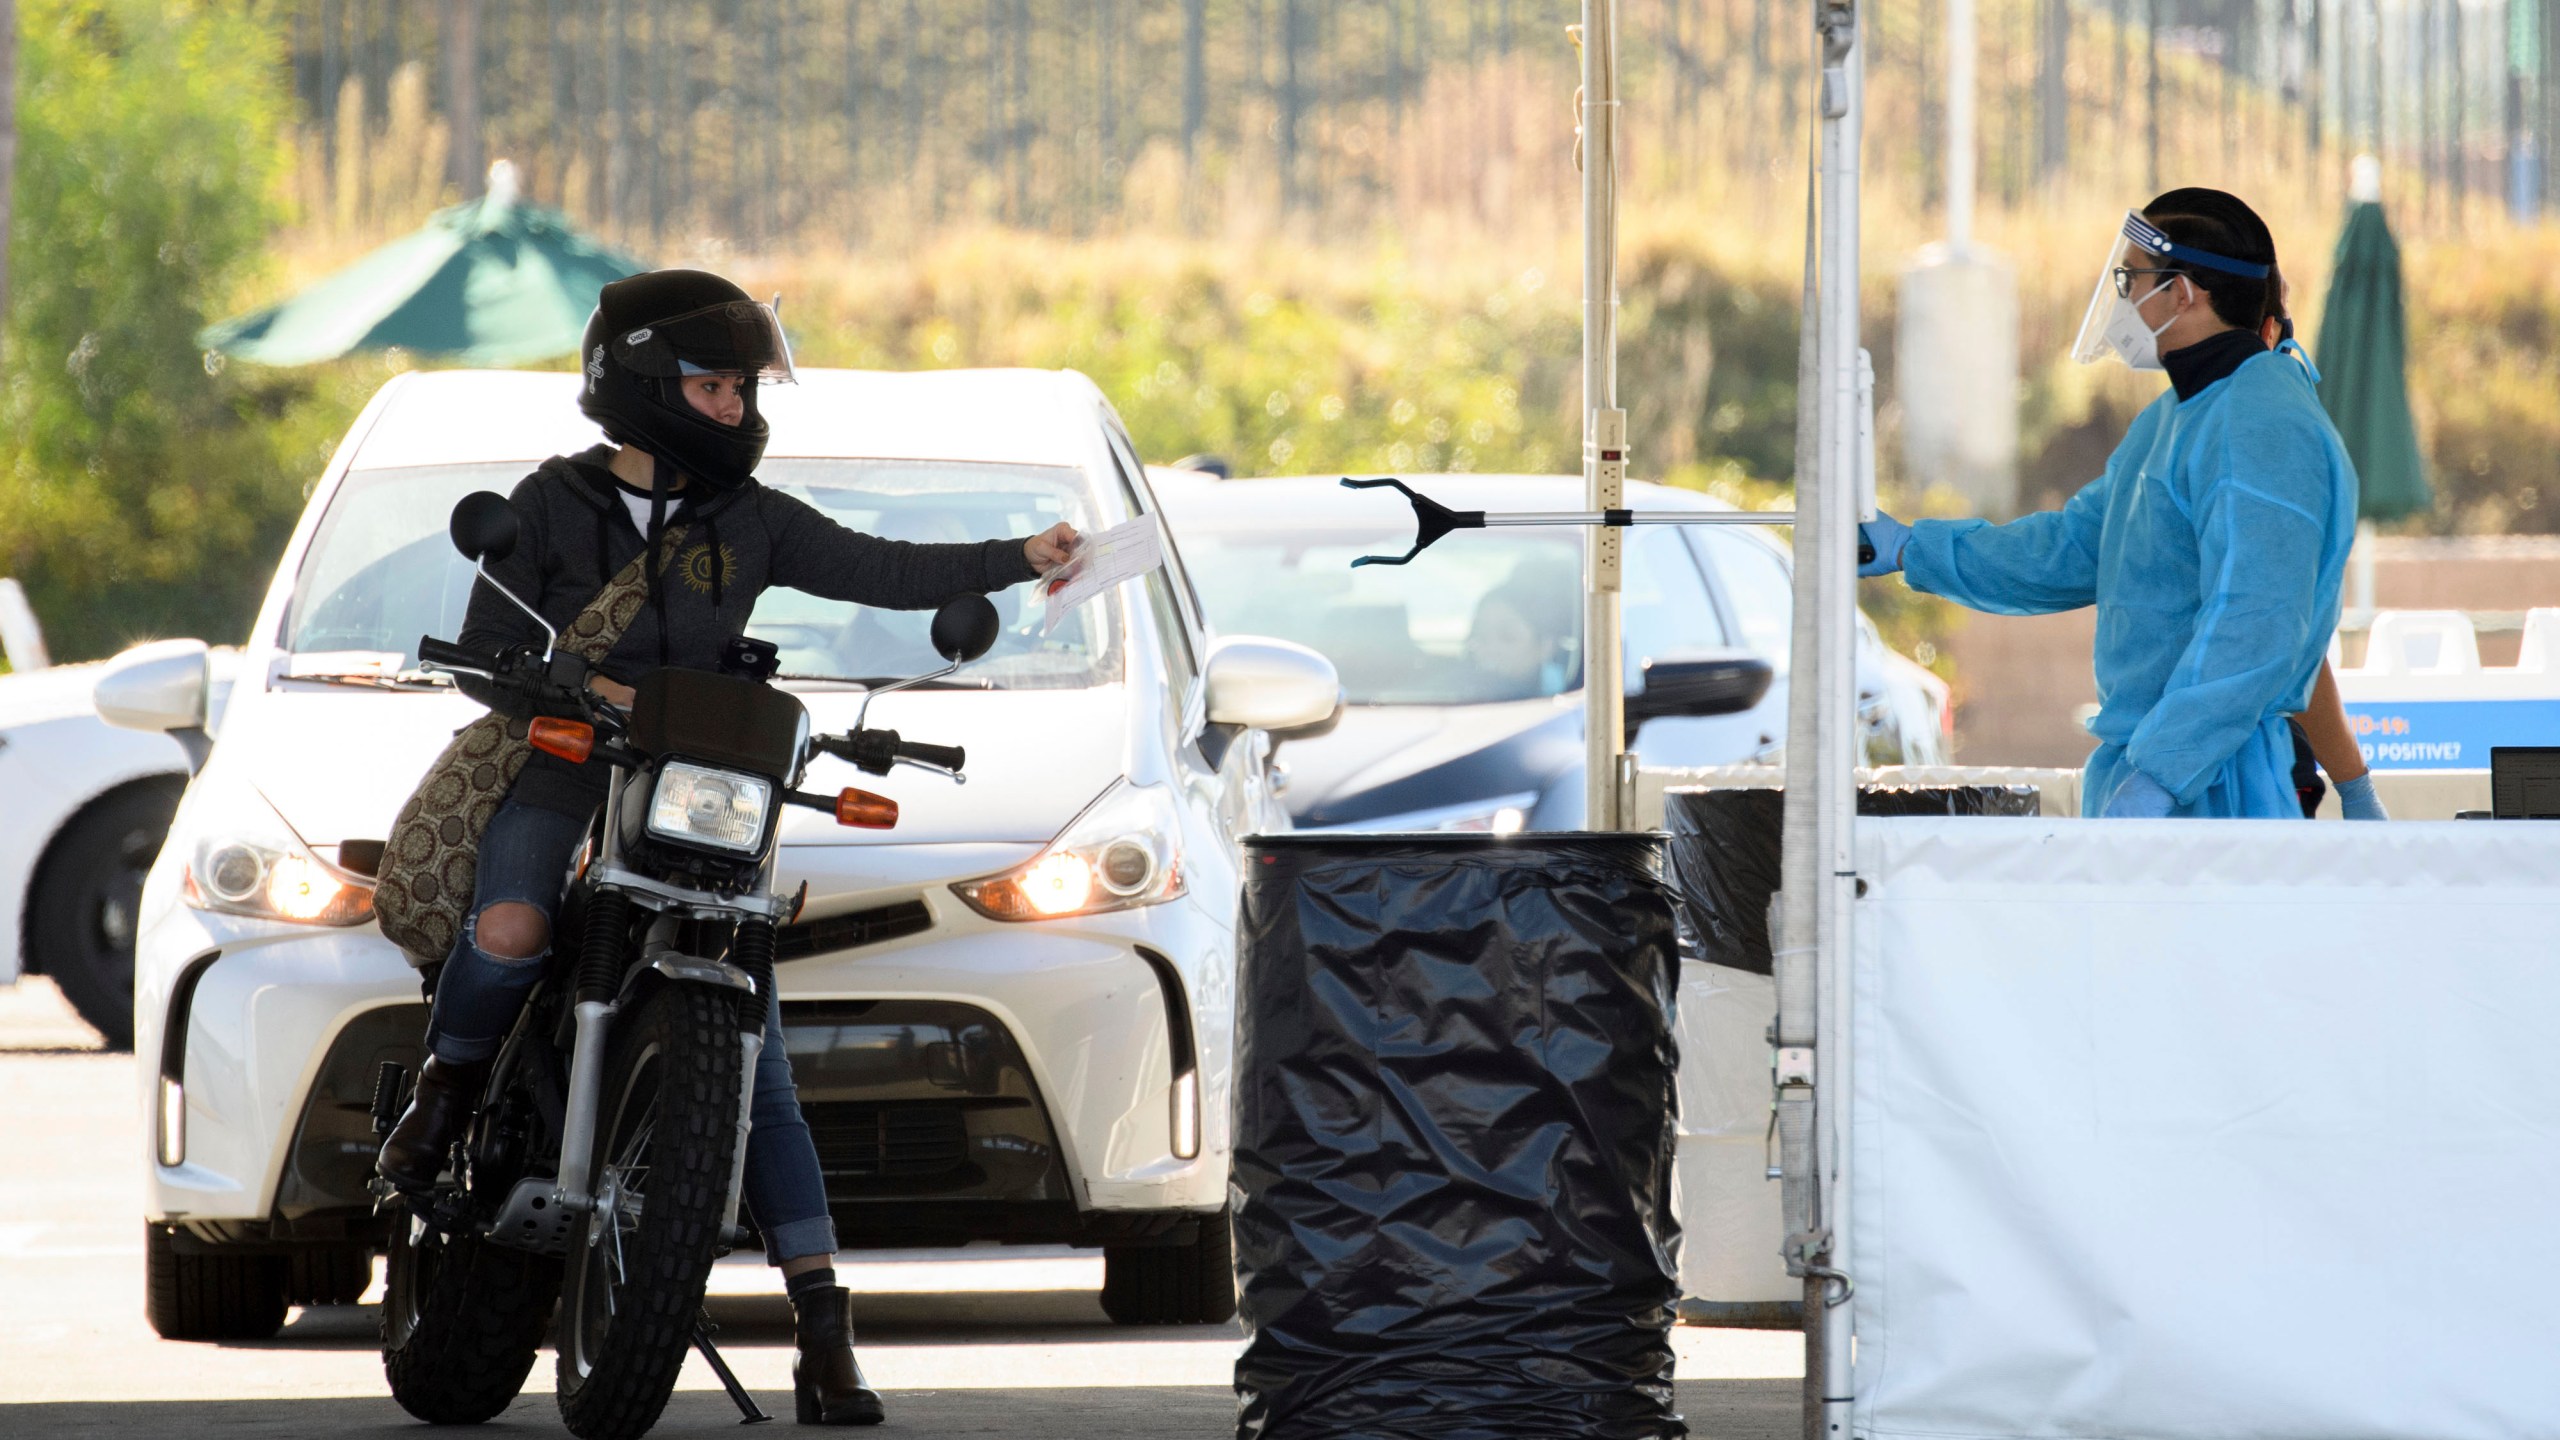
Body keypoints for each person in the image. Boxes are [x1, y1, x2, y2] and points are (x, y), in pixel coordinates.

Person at [375, 268, 1078, 1426]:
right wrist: (574, 679)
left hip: (695, 789)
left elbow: (879, 569)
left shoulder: (744, 519)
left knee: (760, 1068)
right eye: (714, 386)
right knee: (507, 928)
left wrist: (1020, 554)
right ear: (644, 383)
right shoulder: (547, 505)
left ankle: (822, 1322)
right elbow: (487, 646)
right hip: (560, 766)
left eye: (746, 387)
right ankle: (446, 1095)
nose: (738, 408)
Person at [1858, 189, 2358, 818]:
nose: (2125, 301)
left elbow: (2256, 628)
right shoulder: (2175, 419)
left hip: (2220, 784)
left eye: (2132, 280)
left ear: (2183, 293)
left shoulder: (2263, 423)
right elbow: (2071, 549)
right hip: (2159, 770)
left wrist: (2160, 779)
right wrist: (1913, 547)